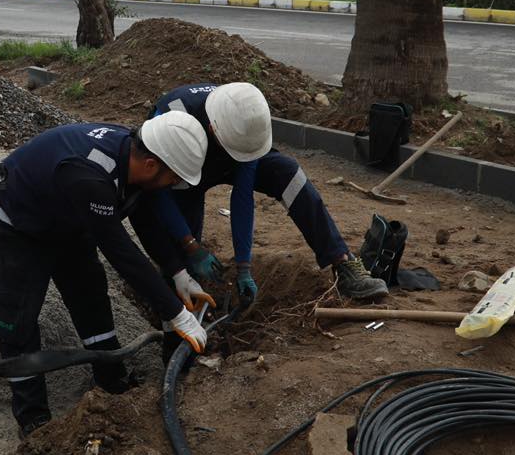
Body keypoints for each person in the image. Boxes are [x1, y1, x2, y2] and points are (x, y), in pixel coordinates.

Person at [0, 114, 212, 435]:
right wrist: (175, 314)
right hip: (18, 219)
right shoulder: (90, 175)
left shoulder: (134, 157)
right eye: (173, 178)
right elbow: (122, 253)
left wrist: (178, 271)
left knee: (90, 295)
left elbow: (145, 222)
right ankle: (32, 417)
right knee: (17, 316)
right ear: (151, 165)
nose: (174, 185)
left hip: (66, 215)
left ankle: (110, 379)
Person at [138, 82, 389, 306]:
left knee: (289, 174)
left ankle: (342, 261)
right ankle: (174, 300)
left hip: (230, 151)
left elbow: (242, 196)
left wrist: (244, 266)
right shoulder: (174, 118)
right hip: (181, 167)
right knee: (181, 249)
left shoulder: (244, 122)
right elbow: (157, 192)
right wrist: (191, 247)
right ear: (214, 131)